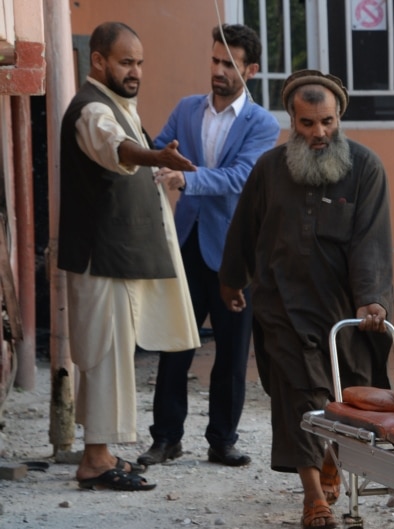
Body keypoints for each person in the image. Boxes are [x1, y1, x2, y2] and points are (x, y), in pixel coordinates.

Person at [218, 69, 393, 529]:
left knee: (344, 394)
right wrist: (232, 280)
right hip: (282, 302)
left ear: (340, 118)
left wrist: (370, 300)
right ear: (291, 121)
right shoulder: (269, 170)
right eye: (308, 124)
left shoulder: (366, 168)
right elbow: (244, 230)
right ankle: (313, 496)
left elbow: (371, 242)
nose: (319, 133)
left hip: (343, 304)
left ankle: (333, 455)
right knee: (297, 395)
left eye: (328, 123)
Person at [58, 22, 200, 491]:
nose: (136, 71)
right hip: (100, 259)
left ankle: (105, 452)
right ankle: (95, 461)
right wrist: (156, 156)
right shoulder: (92, 109)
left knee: (116, 356)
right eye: (125, 62)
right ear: (98, 61)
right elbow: (114, 147)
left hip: (118, 257)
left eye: (139, 62)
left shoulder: (118, 105)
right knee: (103, 356)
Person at [136, 24, 279, 469]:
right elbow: (160, 151)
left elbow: (240, 177)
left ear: (251, 70)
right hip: (186, 243)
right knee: (175, 345)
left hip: (236, 253)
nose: (218, 70)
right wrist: (157, 157)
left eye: (229, 63)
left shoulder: (263, 123)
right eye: (215, 60)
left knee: (233, 353)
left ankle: (223, 440)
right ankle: (166, 439)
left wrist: (187, 178)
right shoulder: (186, 109)